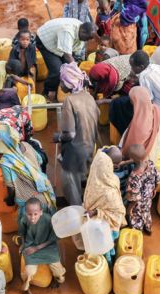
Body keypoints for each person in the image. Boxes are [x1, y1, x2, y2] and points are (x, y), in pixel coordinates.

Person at [55, 63, 99, 206]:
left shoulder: (69, 101)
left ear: (69, 82)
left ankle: (77, 213)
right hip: (90, 144)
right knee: (83, 176)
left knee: (71, 185)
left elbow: (70, 134)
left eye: (62, 81)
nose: (60, 84)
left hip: (74, 150)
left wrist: (58, 137)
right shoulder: (89, 97)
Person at [0, 124, 56, 218]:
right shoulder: (27, 145)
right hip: (45, 194)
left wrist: (9, 200)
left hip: (29, 205)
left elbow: (11, 188)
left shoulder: (6, 162)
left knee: (32, 230)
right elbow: (40, 160)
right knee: (46, 225)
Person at [35, 18, 96, 102]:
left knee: (67, 67)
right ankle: (47, 92)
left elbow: (72, 55)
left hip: (58, 43)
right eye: (88, 38)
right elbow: (67, 55)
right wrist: (78, 73)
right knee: (57, 71)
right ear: (83, 32)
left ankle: (59, 86)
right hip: (45, 41)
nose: (88, 41)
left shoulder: (82, 30)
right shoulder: (67, 31)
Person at [84, 150, 127, 265]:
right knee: (107, 244)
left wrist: (95, 212)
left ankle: (106, 262)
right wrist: (97, 212)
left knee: (103, 245)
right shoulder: (112, 184)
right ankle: (109, 263)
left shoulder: (94, 178)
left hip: (98, 226)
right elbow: (118, 211)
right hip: (105, 226)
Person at [19, 198, 66, 294]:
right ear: (25, 212)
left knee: (58, 273)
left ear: (41, 212)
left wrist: (37, 248)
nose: (32, 218)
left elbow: (54, 237)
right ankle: (26, 288)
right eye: (29, 214)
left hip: (48, 247)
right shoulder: (23, 219)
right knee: (29, 273)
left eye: (35, 214)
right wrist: (23, 244)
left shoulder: (49, 219)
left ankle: (56, 279)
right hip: (31, 245)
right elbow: (22, 233)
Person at [126, 144, 160, 235]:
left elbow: (135, 197)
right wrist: (155, 189)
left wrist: (129, 210)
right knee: (146, 211)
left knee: (136, 216)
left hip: (138, 203)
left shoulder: (134, 177)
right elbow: (158, 178)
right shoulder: (151, 164)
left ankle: (138, 230)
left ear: (132, 159)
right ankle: (148, 228)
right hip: (148, 197)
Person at [120, 87, 160, 162]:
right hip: (153, 153)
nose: (130, 102)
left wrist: (122, 155)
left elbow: (131, 147)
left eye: (131, 99)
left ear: (136, 100)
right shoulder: (156, 109)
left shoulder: (139, 123)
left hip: (140, 160)